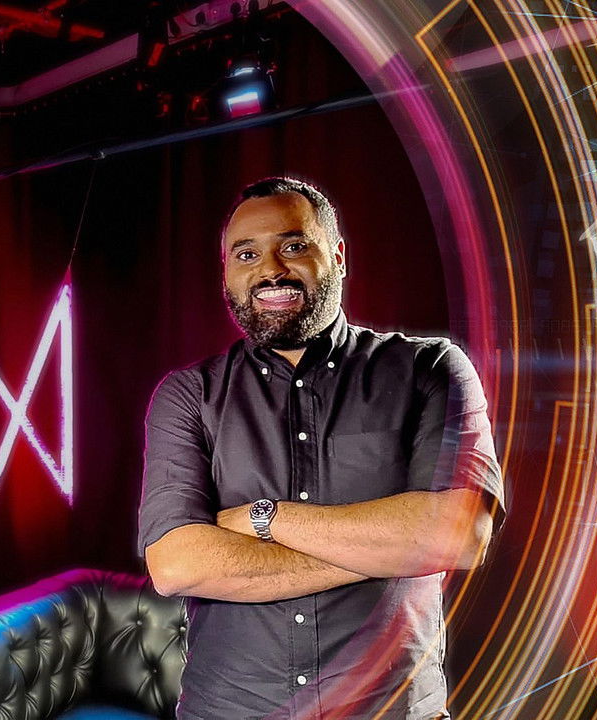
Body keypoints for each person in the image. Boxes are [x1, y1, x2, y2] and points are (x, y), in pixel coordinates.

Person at [138, 177, 504, 719]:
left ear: (337, 256)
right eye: (246, 254)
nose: (270, 270)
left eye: (293, 245)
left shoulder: (431, 369)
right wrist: (390, 551)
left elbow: (459, 535)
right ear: (227, 273)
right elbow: (176, 564)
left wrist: (264, 518)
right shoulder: (189, 395)